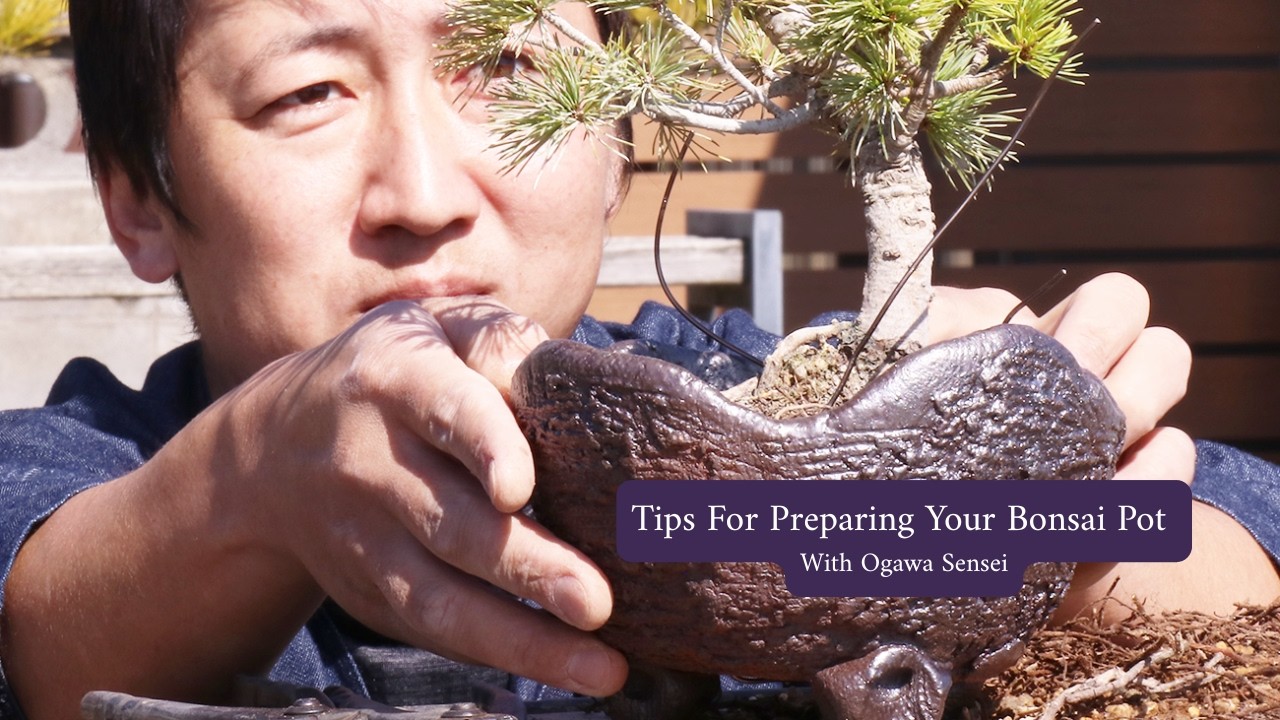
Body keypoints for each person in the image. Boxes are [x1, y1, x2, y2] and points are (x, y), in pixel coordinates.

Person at [1, 1, 1277, 718]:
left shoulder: (757, 399)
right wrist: (253, 483)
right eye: (306, 95)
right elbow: (45, 627)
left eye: (506, 66)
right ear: (136, 200)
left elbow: (1235, 550)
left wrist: (1006, 508)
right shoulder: (90, 467)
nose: (426, 191)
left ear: (618, 129)